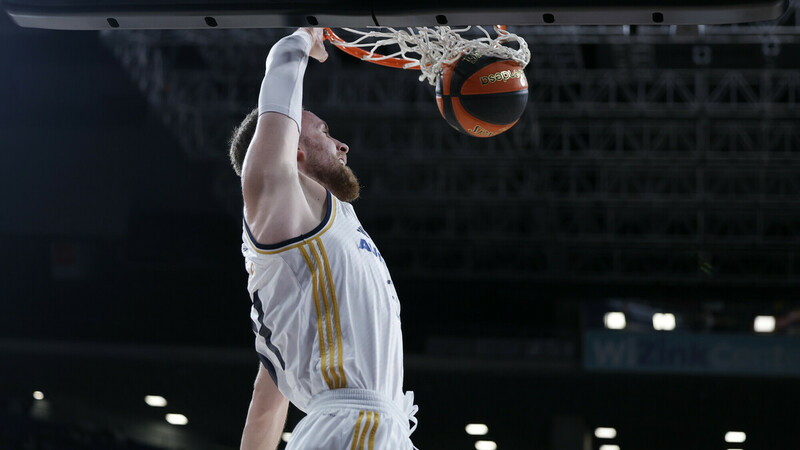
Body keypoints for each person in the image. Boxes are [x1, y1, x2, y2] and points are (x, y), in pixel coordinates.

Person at [227, 28, 418, 450]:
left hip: (367, 427)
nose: (342, 144)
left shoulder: (311, 251)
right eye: (324, 131)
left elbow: (266, 403)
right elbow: (279, 71)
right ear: (290, 148)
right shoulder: (276, 195)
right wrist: (304, 35)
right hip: (352, 427)